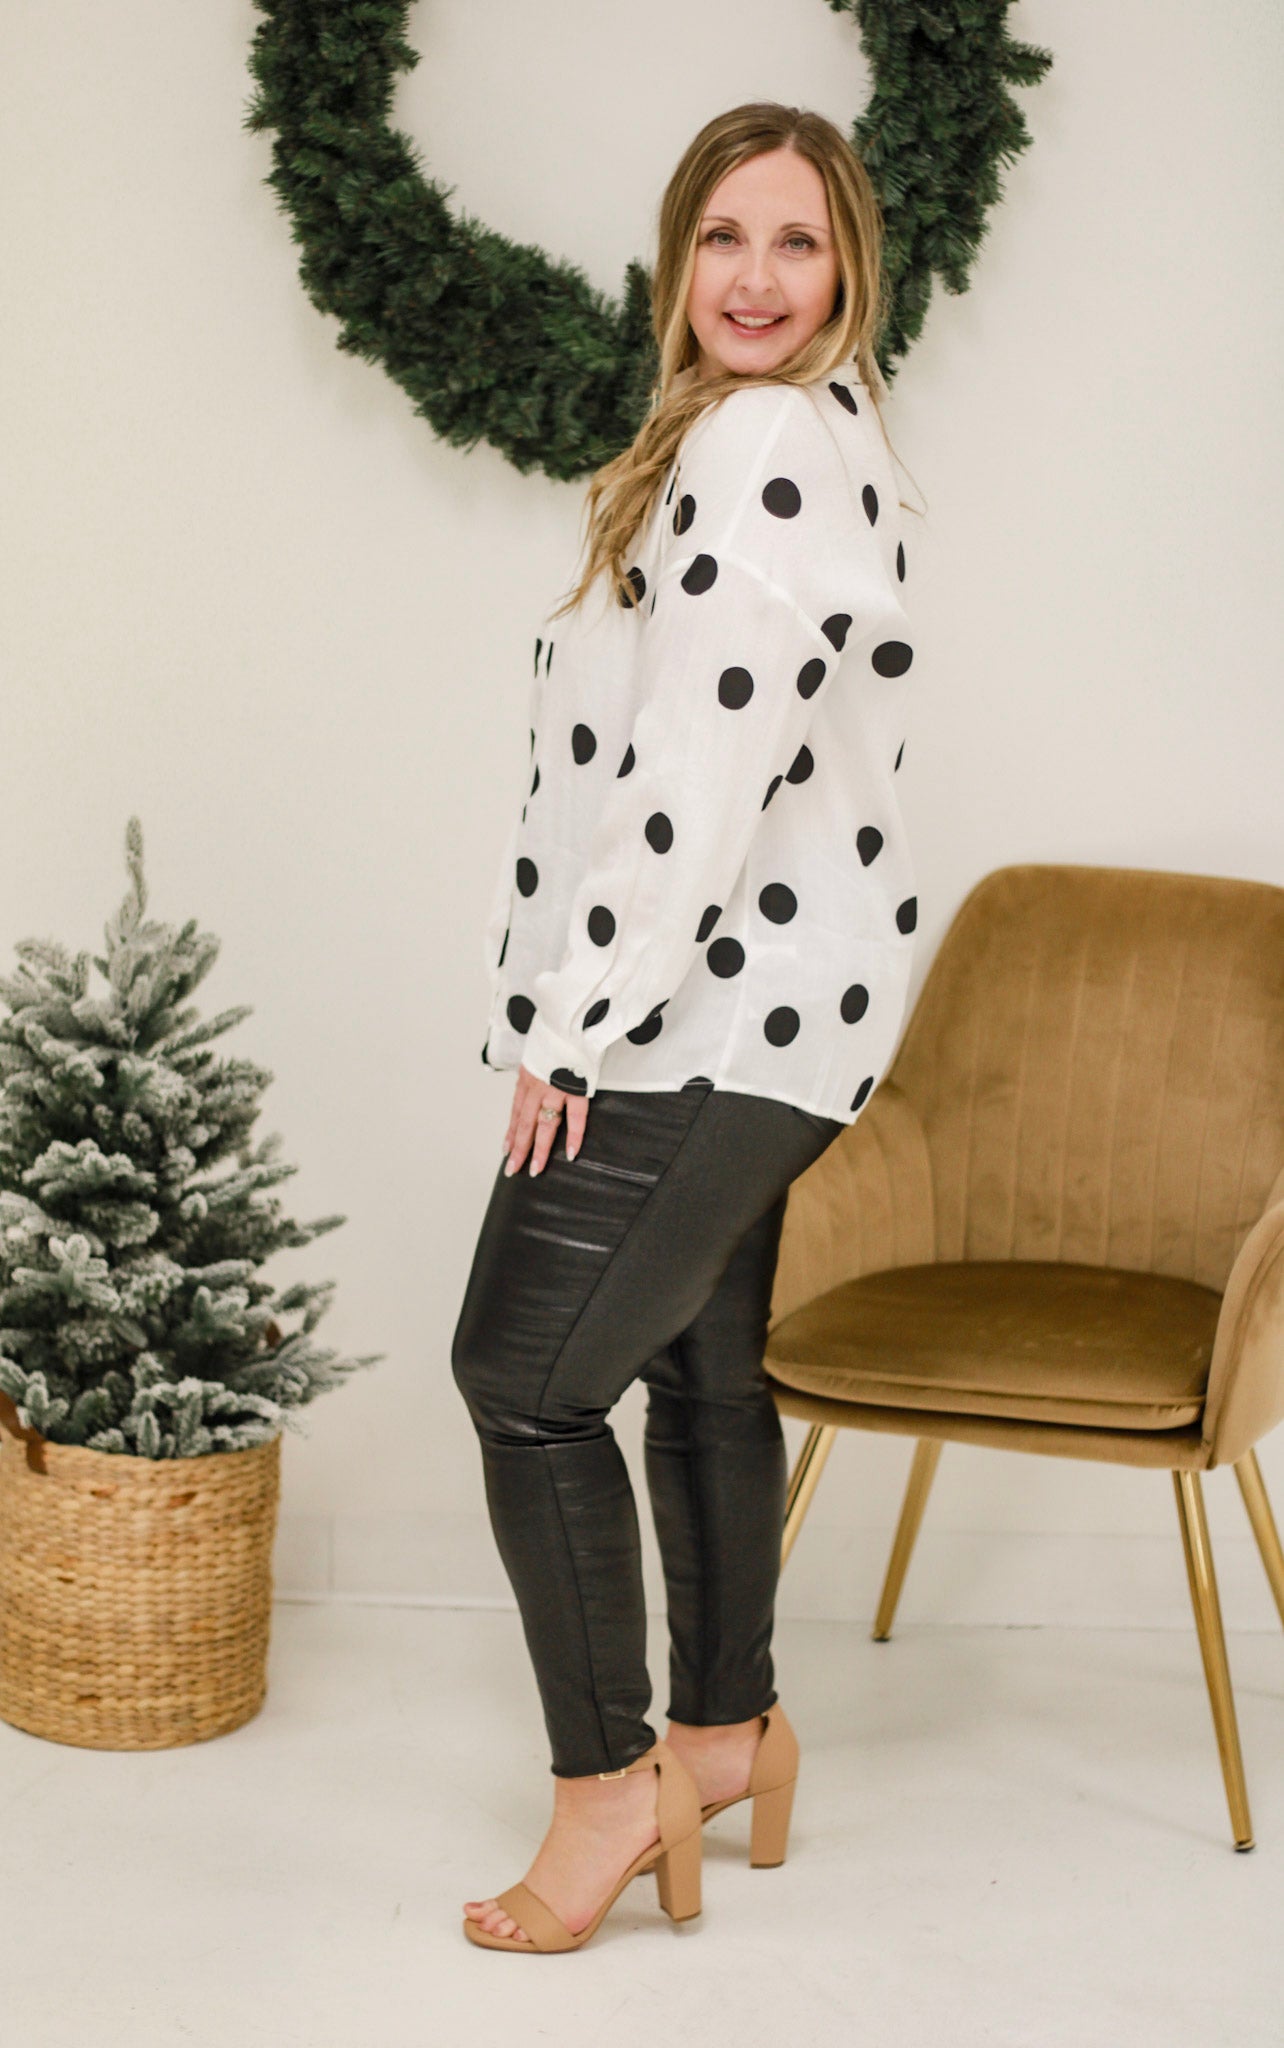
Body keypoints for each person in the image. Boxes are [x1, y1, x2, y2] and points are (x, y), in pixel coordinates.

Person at [451, 99, 918, 1953]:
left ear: (850, 266)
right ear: (678, 258)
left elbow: (694, 779)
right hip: (784, 1009)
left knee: (523, 1379)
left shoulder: (767, 442)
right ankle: (724, 1739)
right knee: (703, 1368)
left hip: (706, 1009)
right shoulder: (799, 432)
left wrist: (572, 1024)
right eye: (725, 236)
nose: (756, 277)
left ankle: (608, 1792)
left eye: (797, 241)